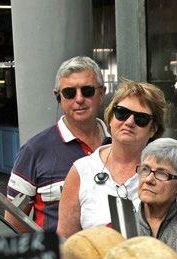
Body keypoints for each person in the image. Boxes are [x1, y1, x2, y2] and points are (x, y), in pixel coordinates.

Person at [58, 80, 177, 241]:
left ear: (153, 128)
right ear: (110, 117)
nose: (129, 122)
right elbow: (66, 240)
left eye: (141, 118)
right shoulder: (82, 170)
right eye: (122, 113)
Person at [6, 56, 109, 231]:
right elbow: (13, 223)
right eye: (69, 93)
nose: (79, 99)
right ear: (58, 97)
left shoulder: (118, 145)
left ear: (101, 93)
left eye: (87, 90)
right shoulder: (34, 151)